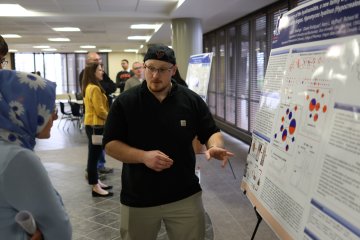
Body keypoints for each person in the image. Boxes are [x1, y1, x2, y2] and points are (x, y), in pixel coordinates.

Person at [103, 44, 234, 240]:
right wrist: (143, 157)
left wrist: (215, 146)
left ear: (173, 70)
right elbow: (111, 144)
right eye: (150, 68)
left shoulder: (190, 100)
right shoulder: (126, 102)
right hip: (138, 197)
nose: (155, 75)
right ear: (144, 68)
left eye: (162, 69)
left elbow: (211, 131)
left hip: (184, 195)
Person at [0, 70, 72, 239]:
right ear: (25, 111)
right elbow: (60, 231)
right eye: (49, 108)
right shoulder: (18, 159)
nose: (54, 116)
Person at [79, 52, 114, 174]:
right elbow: (99, 110)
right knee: (94, 156)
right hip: (96, 124)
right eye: (99, 70)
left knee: (94, 155)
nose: (102, 72)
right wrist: (112, 118)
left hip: (92, 124)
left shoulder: (89, 86)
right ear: (93, 72)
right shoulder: (94, 88)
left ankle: (95, 182)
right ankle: (95, 184)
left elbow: (112, 86)